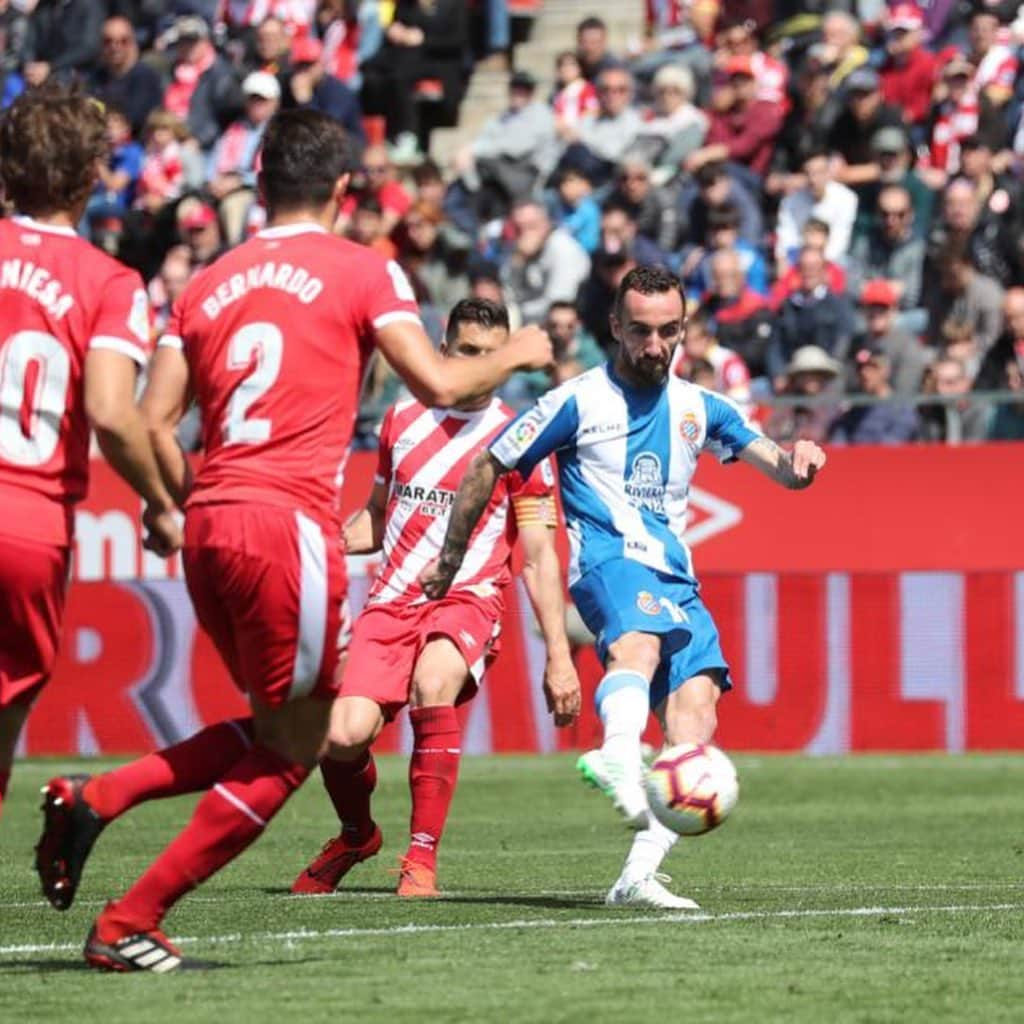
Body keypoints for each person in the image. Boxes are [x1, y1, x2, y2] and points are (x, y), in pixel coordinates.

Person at [34, 109, 553, 972]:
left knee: (284, 726)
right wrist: (520, 351)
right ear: (345, 192)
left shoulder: (206, 281)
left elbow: (150, 420)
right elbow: (437, 378)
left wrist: (173, 503)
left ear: (261, 184)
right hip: (290, 529)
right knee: (293, 747)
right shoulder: (363, 270)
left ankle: (102, 799)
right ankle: (130, 908)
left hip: (209, 524)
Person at [420, 265, 827, 909]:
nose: (655, 344)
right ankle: (617, 754)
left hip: (676, 578)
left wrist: (799, 466)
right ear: (614, 327)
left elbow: (775, 462)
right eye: (640, 330)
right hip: (607, 562)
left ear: (685, 330)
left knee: (697, 714)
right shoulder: (576, 400)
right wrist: (447, 557)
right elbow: (489, 462)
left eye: (668, 331)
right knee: (636, 643)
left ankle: (637, 875)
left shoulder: (700, 406)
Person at [290, 298, 581, 898]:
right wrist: (324, 544)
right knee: (342, 737)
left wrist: (557, 654)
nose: (480, 366)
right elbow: (378, 517)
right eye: (467, 353)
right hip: (391, 602)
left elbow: (538, 552)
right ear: (442, 352)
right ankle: (355, 835)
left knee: (434, 683)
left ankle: (420, 858)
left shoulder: (520, 437)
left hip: (468, 598)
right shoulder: (399, 422)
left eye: (491, 355)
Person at [0, 85, 181, 822]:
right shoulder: (109, 282)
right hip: (29, 521)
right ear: (90, 178)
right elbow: (110, 411)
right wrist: (161, 501)